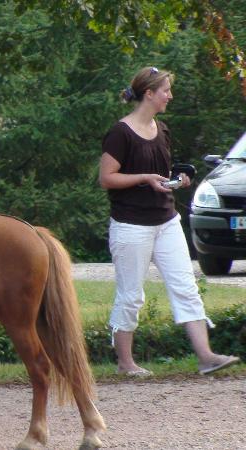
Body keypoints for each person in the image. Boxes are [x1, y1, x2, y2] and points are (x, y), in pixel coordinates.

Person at [98, 66, 241, 377]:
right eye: (165, 90)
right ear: (149, 94)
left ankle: (205, 356)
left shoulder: (161, 130)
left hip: (167, 220)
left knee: (186, 287)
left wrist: (178, 178)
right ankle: (125, 363)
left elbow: (160, 170)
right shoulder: (120, 133)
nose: (170, 96)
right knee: (131, 294)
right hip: (131, 226)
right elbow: (107, 178)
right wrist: (145, 178)